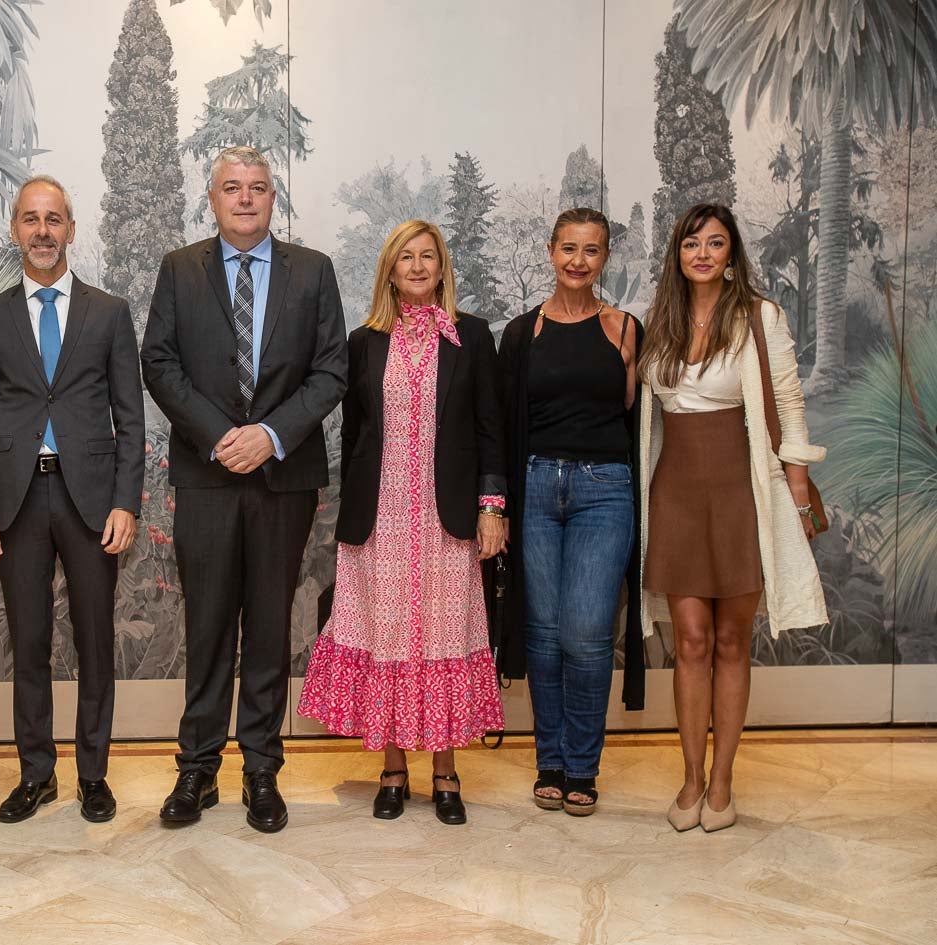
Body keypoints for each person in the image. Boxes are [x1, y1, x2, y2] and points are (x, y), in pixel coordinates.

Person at [142, 145, 347, 833]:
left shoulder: (311, 271)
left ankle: (261, 769)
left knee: (267, 626)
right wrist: (219, 435)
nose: (245, 198)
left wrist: (270, 434)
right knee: (206, 626)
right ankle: (196, 770)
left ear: (272, 199)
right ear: (213, 199)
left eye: (257, 187)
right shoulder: (180, 269)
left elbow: (331, 370)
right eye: (232, 187)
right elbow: (158, 362)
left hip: (283, 479)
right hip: (206, 476)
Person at [297, 220, 506, 825]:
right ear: (389, 270)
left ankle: (445, 773)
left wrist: (492, 508)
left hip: (448, 520)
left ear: (442, 268)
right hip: (380, 519)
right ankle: (391, 770)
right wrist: (352, 513)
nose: (417, 266)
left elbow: (490, 428)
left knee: (444, 636)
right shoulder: (363, 342)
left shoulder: (472, 336)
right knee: (387, 638)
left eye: (427, 256)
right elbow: (355, 434)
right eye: (405, 257)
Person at [0, 176, 144, 824]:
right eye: (30, 219)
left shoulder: (108, 312)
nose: (42, 231)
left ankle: (93, 775)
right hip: (16, 501)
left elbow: (130, 415)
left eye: (53, 219)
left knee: (94, 641)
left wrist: (126, 501)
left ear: (70, 228)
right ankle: (35, 774)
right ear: (15, 228)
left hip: (90, 500)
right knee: (29, 641)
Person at [639, 203, 826, 833]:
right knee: (690, 641)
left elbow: (789, 406)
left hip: (741, 493)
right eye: (691, 243)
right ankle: (691, 779)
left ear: (731, 255)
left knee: (730, 641)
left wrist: (797, 499)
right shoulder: (658, 321)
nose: (702, 254)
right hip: (676, 494)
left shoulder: (759, 316)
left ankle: (722, 783)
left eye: (715, 243)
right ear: (677, 254)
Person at [497, 208, 646, 817]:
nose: (578, 261)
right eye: (568, 248)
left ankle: (583, 765)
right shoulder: (521, 333)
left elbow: (637, 417)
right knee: (543, 633)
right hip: (535, 486)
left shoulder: (625, 329)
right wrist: (497, 506)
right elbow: (504, 425)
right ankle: (550, 762)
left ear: (605, 257)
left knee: (586, 635)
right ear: (550, 251)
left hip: (604, 489)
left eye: (591, 250)